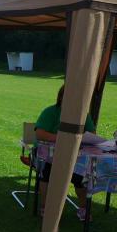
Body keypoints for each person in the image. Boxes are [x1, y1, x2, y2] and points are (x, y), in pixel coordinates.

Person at [34, 85, 96, 221]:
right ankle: (46, 207)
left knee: (82, 177)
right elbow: (40, 134)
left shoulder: (83, 115)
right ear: (61, 97)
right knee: (47, 175)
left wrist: (79, 139)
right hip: (48, 156)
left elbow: (91, 134)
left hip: (75, 157)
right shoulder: (50, 112)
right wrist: (64, 138)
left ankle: (83, 209)